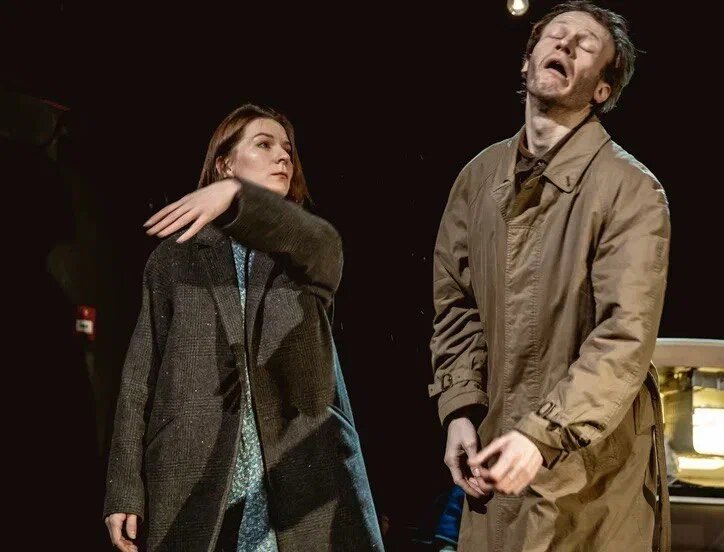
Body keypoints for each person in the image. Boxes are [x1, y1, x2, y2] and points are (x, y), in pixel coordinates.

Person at [429, 2, 671, 550]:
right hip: (496, 456)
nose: (564, 45)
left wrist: (542, 434)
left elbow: (624, 337)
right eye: (555, 36)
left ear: (602, 89)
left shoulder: (630, 189)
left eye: (585, 45)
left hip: (589, 474)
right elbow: (457, 307)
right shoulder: (478, 178)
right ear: (527, 60)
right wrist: (460, 410)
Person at [103, 104, 383, 551]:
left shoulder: (304, 252)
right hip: (195, 475)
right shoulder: (173, 258)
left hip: (295, 480)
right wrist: (123, 489)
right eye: (264, 144)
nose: (283, 157)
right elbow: (139, 380)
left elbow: (322, 241)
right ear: (224, 164)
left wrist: (238, 196)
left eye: (287, 149)